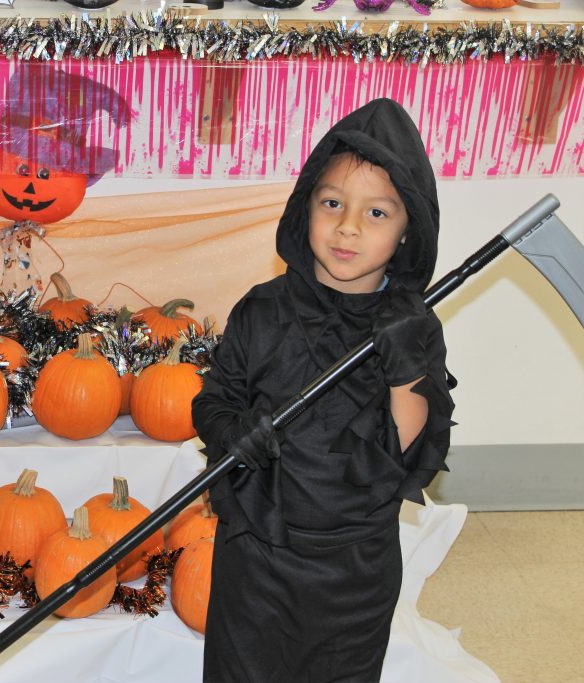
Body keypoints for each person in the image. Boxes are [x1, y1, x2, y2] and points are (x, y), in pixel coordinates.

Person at [191, 98, 456, 682]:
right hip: (258, 553)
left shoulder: (412, 328)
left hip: (354, 567)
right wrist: (234, 435)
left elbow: (407, 453)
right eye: (331, 203)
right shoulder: (262, 310)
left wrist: (405, 367)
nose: (348, 227)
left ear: (409, 228)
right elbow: (213, 400)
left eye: (377, 213)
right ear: (304, 206)